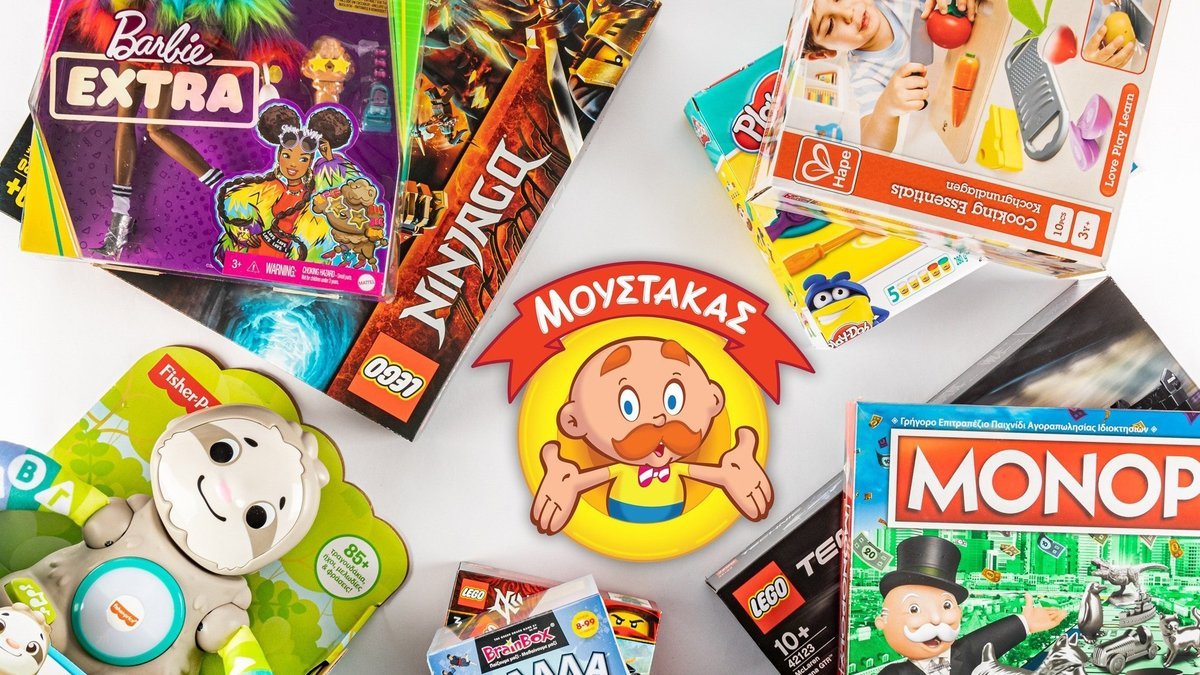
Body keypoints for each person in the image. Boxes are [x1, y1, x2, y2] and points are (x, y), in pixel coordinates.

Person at [531, 337, 773, 532]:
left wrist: (731, 475)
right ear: (573, 421)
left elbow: (719, 476)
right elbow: (576, 483)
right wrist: (568, 482)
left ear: (713, 399)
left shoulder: (677, 467)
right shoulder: (621, 469)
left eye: (673, 401)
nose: (658, 419)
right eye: (629, 406)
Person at [875, 536, 1067, 675]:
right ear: (883, 620)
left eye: (946, 606)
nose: (936, 619)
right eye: (914, 609)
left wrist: (1026, 622)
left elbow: (987, 639)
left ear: (959, 613)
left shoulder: (963, 654)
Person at [803, 0, 978, 151]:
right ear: (822, 54)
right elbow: (872, 149)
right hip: (964, 115)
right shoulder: (864, 74)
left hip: (983, 45)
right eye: (830, 25)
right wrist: (886, 108)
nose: (848, 13)